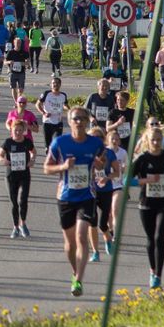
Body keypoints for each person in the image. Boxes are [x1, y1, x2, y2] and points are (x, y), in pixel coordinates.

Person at [44, 106, 107, 297]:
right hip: (65, 197)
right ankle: (74, 271)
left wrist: (99, 164)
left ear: (87, 122)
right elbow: (46, 168)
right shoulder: (60, 143)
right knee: (70, 244)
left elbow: (101, 159)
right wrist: (63, 166)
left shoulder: (95, 143)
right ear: (69, 121)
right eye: (75, 119)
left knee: (81, 236)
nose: (78, 122)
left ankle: (78, 279)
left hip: (86, 196)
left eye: (82, 118)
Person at [131, 122, 164, 288]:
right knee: (151, 239)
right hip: (146, 202)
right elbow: (126, 180)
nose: (157, 143)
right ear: (147, 140)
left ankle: (158, 275)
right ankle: (152, 270)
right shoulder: (142, 159)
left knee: (160, 236)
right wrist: (146, 180)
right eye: (154, 140)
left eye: (159, 140)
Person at [86, 127, 122, 263]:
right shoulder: (86, 153)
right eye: (92, 138)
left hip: (106, 190)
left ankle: (107, 239)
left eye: (99, 138)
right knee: (92, 221)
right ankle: (95, 252)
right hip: (90, 191)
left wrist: (107, 178)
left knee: (103, 224)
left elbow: (117, 172)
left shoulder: (109, 153)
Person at [0, 119, 35, 238]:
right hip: (11, 175)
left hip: (24, 174)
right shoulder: (8, 142)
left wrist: (32, 160)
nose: (17, 132)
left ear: (24, 131)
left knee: (23, 200)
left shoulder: (27, 142)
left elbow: (34, 152)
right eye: (15, 130)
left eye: (20, 130)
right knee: (14, 203)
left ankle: (23, 224)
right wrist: (4, 161)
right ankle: (15, 227)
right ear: (11, 131)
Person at [37, 76, 68, 151]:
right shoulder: (46, 93)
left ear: (60, 85)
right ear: (51, 85)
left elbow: (65, 105)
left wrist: (70, 111)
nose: (55, 84)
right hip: (47, 122)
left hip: (58, 122)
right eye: (53, 83)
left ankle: (55, 160)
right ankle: (49, 160)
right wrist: (44, 113)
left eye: (57, 83)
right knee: (48, 147)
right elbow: (37, 104)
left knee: (56, 144)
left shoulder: (63, 95)